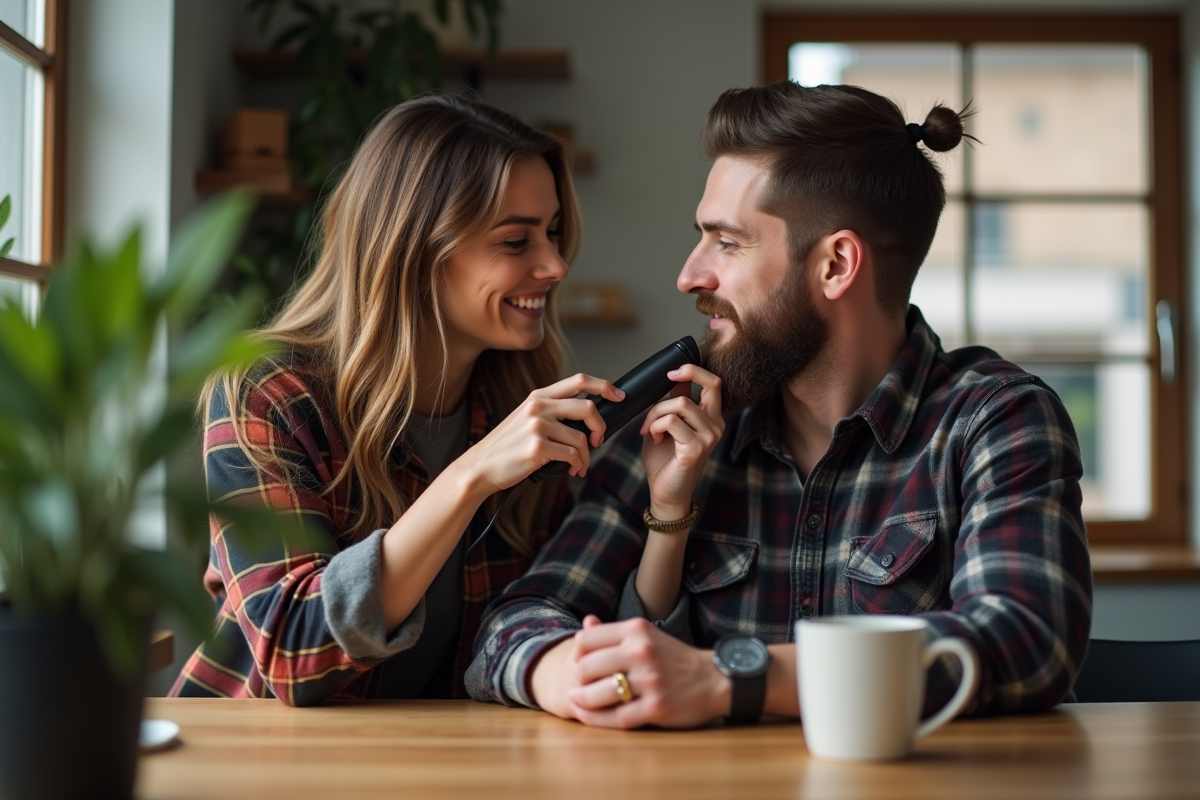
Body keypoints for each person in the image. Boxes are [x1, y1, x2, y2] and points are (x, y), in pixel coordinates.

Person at [466, 82, 1092, 728]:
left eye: (727, 243)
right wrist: (572, 669)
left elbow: (1026, 639)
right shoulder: (674, 426)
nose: (689, 276)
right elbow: (510, 628)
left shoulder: (996, 419)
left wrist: (727, 677)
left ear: (835, 265)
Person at [170, 95, 625, 705]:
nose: (554, 265)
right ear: (415, 254)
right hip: (255, 763)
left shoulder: (515, 405)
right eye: (516, 242)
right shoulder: (267, 392)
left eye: (553, 234)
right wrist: (471, 474)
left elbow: (543, 618)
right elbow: (293, 653)